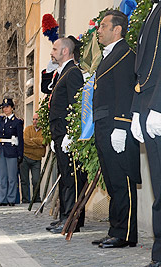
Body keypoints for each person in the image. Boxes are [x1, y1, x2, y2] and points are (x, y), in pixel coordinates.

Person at [91, 10, 140, 249]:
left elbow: (125, 91)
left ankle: (127, 232)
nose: (98, 30)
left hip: (116, 127)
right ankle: (116, 228)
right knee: (112, 182)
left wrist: (122, 125)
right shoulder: (109, 55)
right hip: (104, 126)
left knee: (123, 180)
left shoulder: (125, 55)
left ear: (117, 29)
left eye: (102, 26)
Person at [130, 2, 161, 266]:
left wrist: (159, 106)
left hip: (158, 107)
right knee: (158, 186)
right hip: (147, 108)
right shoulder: (152, 10)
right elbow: (142, 74)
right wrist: (136, 111)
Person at [45, 37, 86, 234]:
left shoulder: (73, 73)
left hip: (67, 134)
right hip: (59, 134)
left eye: (54, 49)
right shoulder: (62, 73)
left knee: (73, 178)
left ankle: (72, 219)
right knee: (65, 177)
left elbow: (76, 106)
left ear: (65, 51)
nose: (51, 52)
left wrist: (71, 134)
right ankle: (65, 216)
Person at [19, 113, 45, 203]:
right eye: (33, 119)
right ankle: (26, 199)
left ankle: (36, 198)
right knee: (24, 180)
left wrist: (32, 140)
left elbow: (44, 142)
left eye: (36, 119)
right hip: (25, 157)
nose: (34, 121)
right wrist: (38, 145)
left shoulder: (44, 131)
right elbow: (25, 141)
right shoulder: (27, 129)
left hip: (37, 159)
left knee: (36, 180)